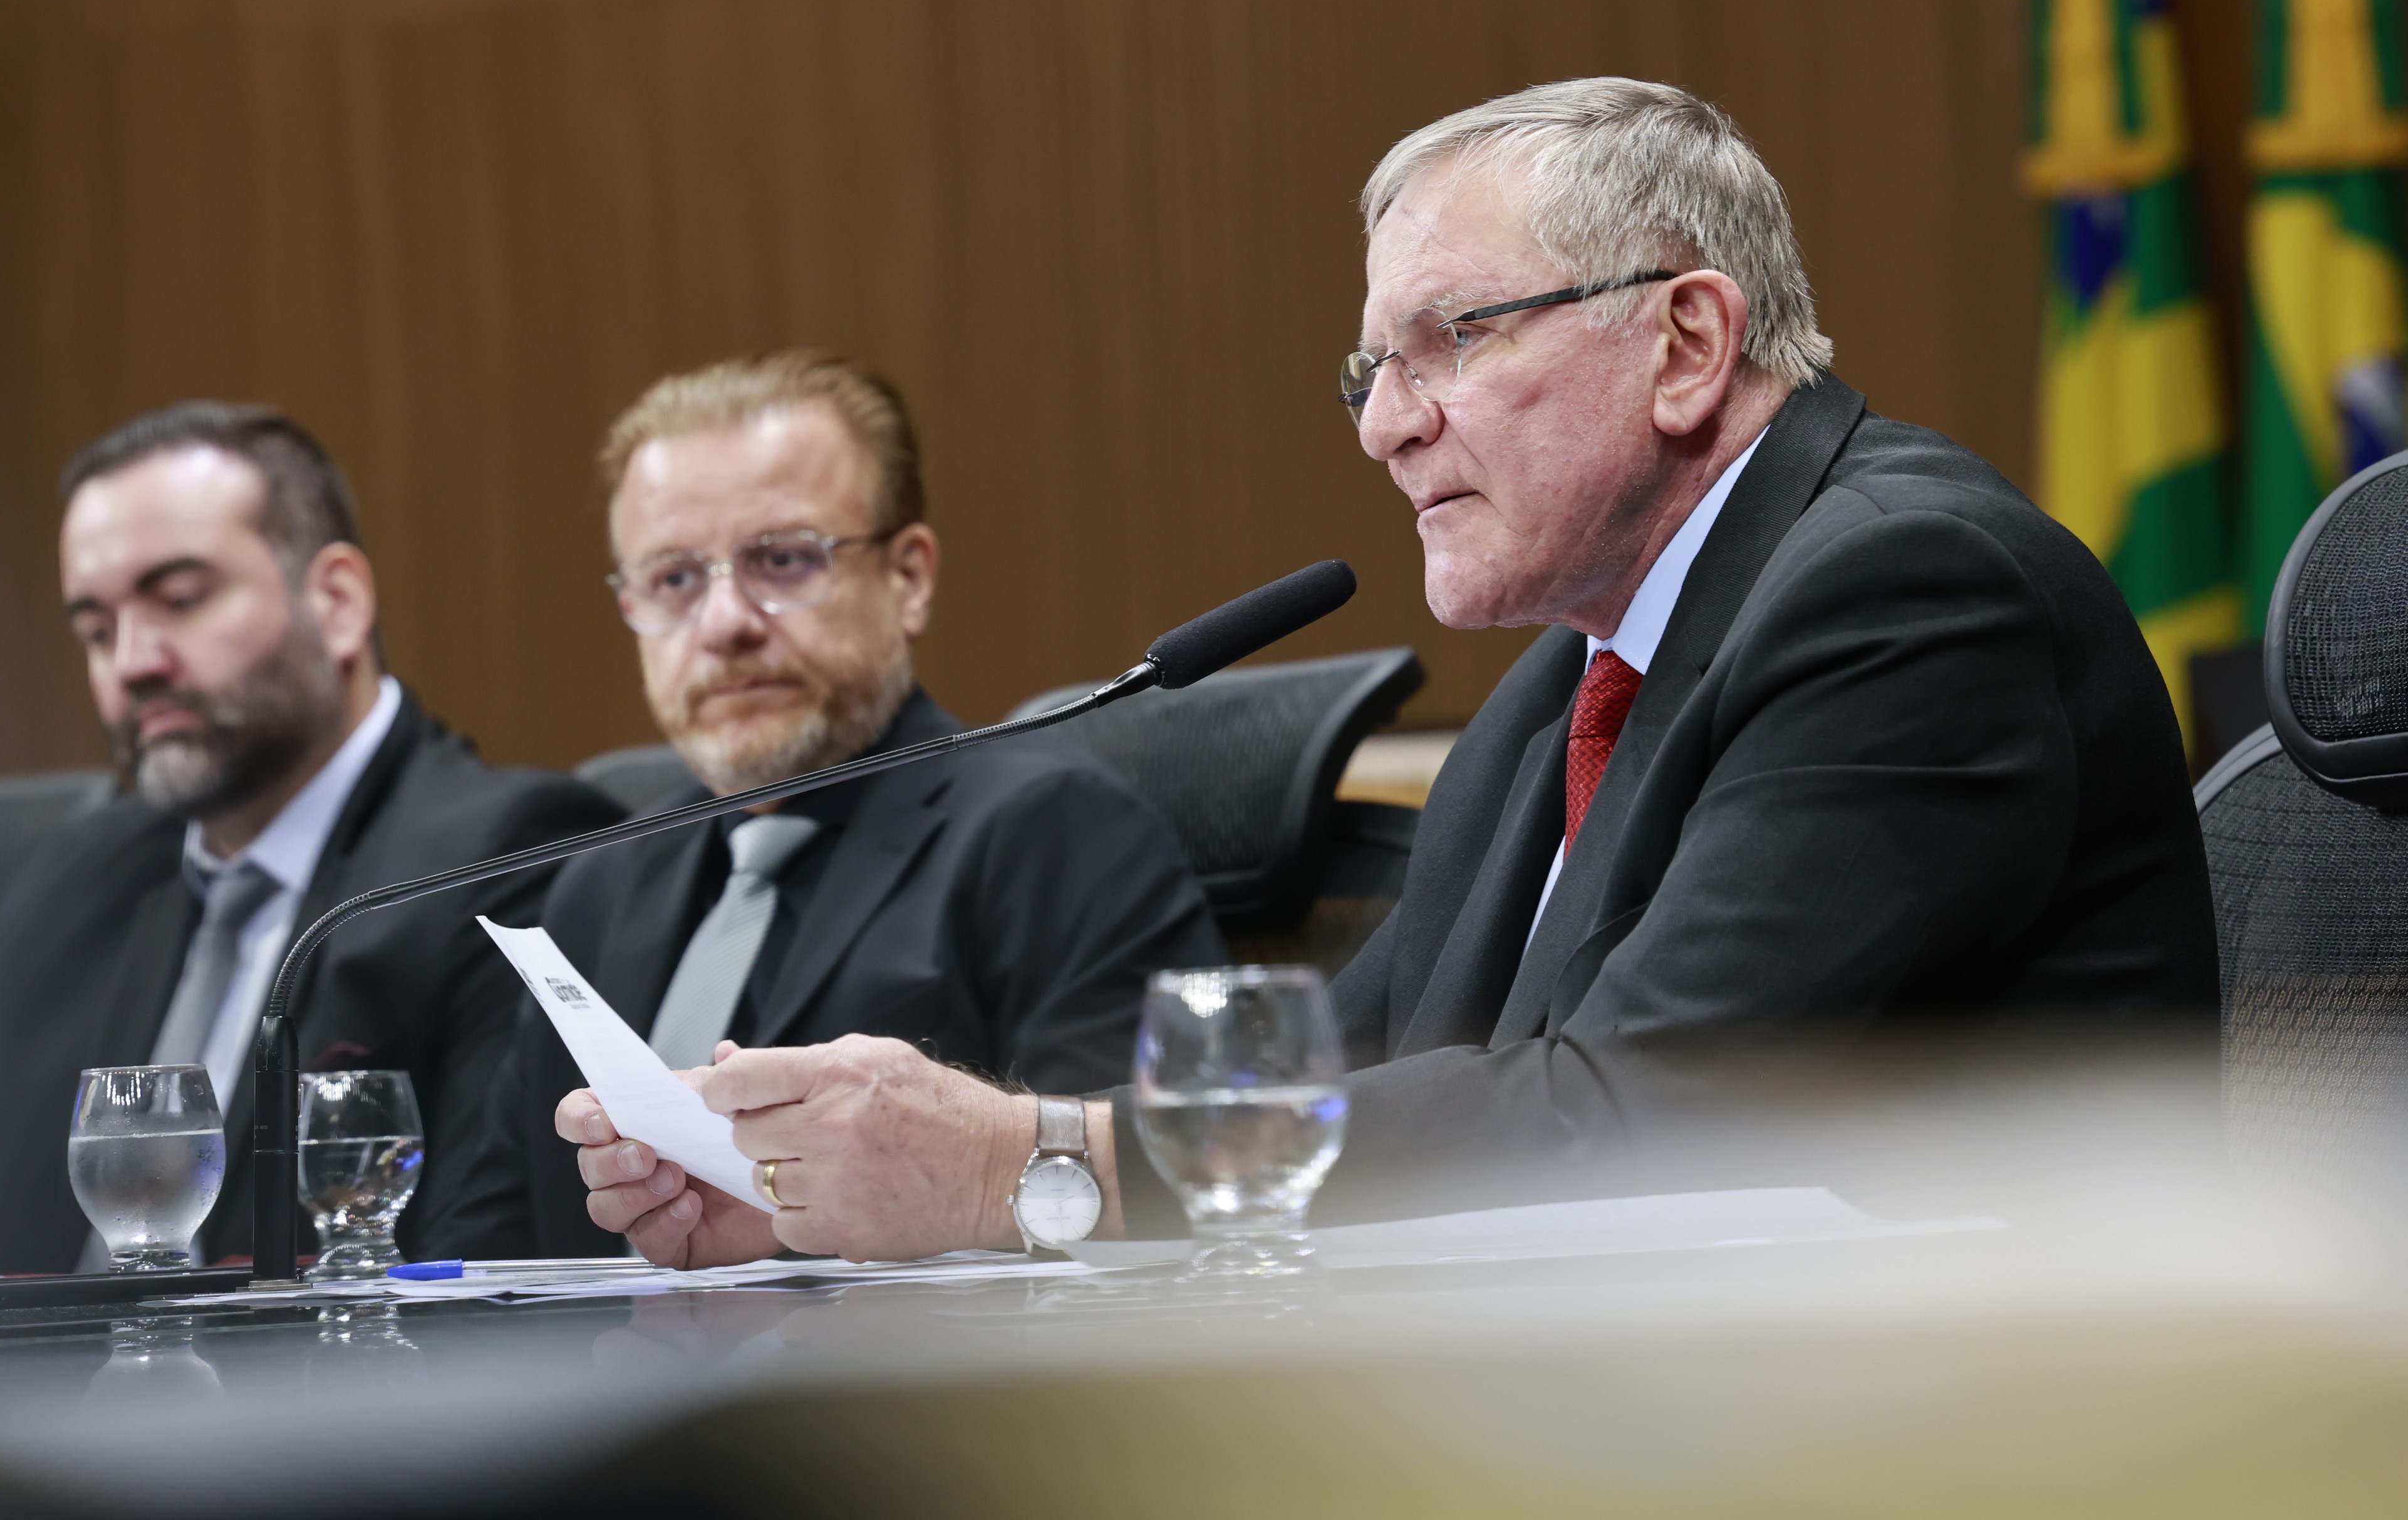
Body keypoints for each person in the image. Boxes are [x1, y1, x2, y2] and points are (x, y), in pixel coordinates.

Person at [561, 79, 2219, 1267]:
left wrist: (1021, 1167)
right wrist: (849, 1187)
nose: (1386, 424)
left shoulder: (1909, 598)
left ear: (1688, 343)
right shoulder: (1568, 682)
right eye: (1371, 367)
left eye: (1456, 339)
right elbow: (1332, 1081)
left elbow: (1638, 1124)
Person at [434, 351, 1227, 1258]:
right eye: (674, 580)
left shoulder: (1056, 836)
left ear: (909, 578)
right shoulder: (597, 887)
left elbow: (1154, 1228)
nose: (724, 625)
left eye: (782, 560)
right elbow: (485, 1254)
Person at [0, 404, 622, 1279]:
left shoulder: (505, 856)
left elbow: (482, 1267)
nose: (132, 662)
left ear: (338, 603)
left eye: (180, 600)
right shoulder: (77, 877)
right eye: (96, 630)